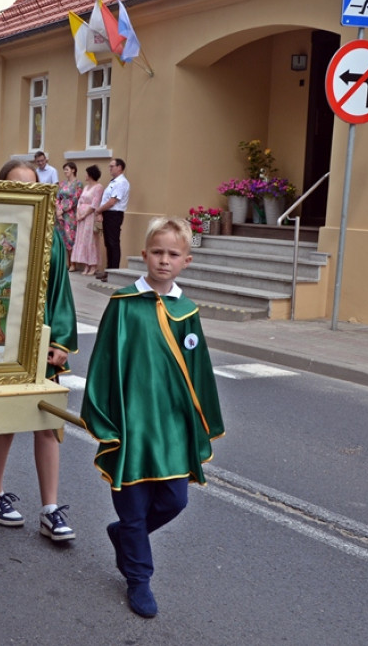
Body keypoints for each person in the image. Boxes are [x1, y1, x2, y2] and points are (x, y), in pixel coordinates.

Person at [80, 217, 225, 618]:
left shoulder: (187, 311)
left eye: (173, 254)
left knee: (175, 500)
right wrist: (104, 418)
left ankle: (125, 536)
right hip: (131, 424)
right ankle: (139, 579)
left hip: (172, 428)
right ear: (144, 255)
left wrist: (200, 421)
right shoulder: (123, 305)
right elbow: (104, 363)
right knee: (133, 505)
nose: (164, 260)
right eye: (157, 252)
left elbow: (198, 371)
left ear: (186, 261)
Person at [0, 159, 78, 543]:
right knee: (3, 417)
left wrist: (60, 342)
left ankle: (51, 509)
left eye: (32, 185)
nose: (25, 190)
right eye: (16, 184)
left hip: (39, 341)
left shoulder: (50, 233)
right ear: (0, 186)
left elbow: (61, 290)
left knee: (46, 420)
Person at [97, 158, 130, 270]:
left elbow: (112, 201)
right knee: (108, 243)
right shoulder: (113, 181)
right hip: (108, 214)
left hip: (114, 214)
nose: (109, 169)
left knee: (113, 242)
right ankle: (109, 269)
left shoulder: (121, 182)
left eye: (112, 166)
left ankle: (113, 270)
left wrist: (99, 210)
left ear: (119, 167)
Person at [73, 165, 103, 275]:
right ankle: (86, 265)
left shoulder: (98, 187)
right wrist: (77, 213)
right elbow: (80, 201)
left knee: (91, 240)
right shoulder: (86, 187)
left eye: (86, 173)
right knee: (83, 240)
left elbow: (95, 203)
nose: (85, 175)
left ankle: (93, 265)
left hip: (90, 217)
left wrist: (84, 214)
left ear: (90, 175)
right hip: (81, 217)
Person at [56, 161, 83, 269]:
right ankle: (63, 262)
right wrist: (58, 210)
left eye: (67, 169)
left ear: (73, 170)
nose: (65, 172)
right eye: (64, 170)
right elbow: (57, 198)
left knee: (70, 237)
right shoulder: (62, 184)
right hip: (59, 214)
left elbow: (75, 199)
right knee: (60, 236)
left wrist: (63, 210)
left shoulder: (78, 184)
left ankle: (72, 263)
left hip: (70, 214)